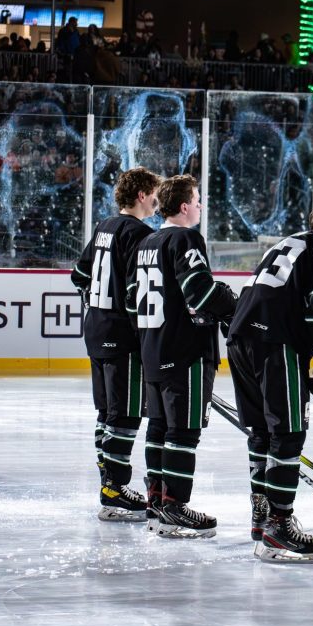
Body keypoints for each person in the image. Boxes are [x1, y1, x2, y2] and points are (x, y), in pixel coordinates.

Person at [226, 203, 313, 563]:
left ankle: (263, 515)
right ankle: (279, 524)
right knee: (289, 432)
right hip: (275, 339)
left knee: (262, 431)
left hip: (240, 336)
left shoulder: (286, 243)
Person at [129, 174, 237, 537]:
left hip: (152, 348)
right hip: (185, 351)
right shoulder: (185, 237)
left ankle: (157, 501)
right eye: (198, 199)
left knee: (159, 427)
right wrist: (235, 305)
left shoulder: (148, 241)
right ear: (185, 205)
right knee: (184, 432)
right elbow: (201, 293)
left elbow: (133, 298)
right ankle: (175, 505)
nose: (201, 205)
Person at [71, 167, 162, 523]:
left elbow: (79, 276)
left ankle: (109, 483)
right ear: (141, 195)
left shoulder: (104, 227)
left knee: (107, 412)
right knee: (124, 413)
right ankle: (115, 489)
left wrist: (98, 303)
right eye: (154, 193)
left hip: (95, 329)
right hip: (123, 336)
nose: (157, 200)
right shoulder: (140, 233)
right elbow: (134, 293)